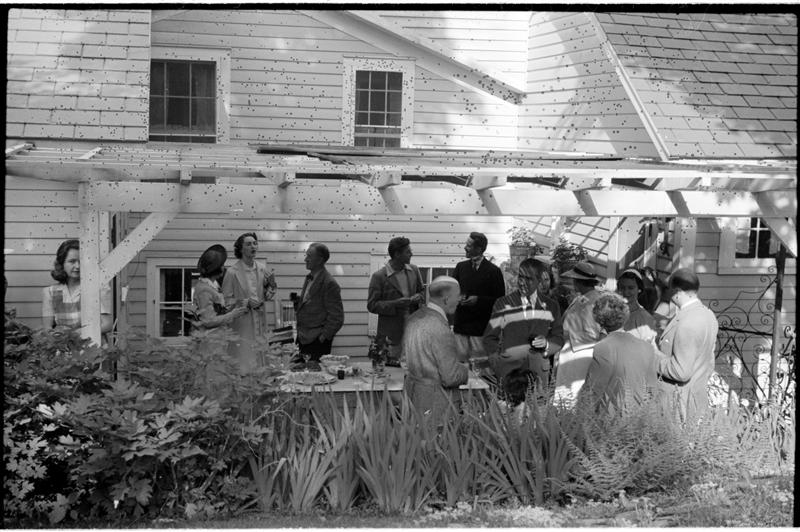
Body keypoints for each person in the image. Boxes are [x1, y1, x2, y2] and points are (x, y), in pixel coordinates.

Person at [483, 258, 563, 384]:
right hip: (509, 373)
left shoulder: (552, 306)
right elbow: (490, 337)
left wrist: (546, 344)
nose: (522, 282)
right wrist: (497, 363)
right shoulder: (503, 303)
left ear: (539, 280)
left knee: (538, 398)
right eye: (520, 277)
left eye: (528, 278)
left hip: (539, 374)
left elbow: (558, 337)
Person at [403, 276, 469, 430]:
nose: (460, 300)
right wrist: (465, 370)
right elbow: (450, 378)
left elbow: (406, 361)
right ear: (446, 299)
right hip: (437, 407)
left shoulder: (413, 318)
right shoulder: (440, 327)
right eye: (457, 296)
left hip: (413, 398)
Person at [579, 293, 661, 415]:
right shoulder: (646, 347)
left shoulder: (603, 347)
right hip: (640, 418)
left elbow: (593, 391)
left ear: (599, 320)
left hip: (611, 420)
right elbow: (652, 391)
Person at [655, 268, 718, 423]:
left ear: (677, 292)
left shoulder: (687, 323)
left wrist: (653, 355)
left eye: (669, 289)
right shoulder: (708, 315)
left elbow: (681, 372)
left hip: (677, 405)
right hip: (696, 398)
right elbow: (709, 361)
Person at [221, 232, 277, 371]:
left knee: (260, 361)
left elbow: (267, 295)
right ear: (241, 249)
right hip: (242, 325)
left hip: (260, 321)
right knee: (243, 362)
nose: (253, 246)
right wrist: (245, 302)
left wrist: (272, 285)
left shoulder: (262, 269)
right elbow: (225, 302)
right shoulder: (232, 272)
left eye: (255, 243)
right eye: (248, 244)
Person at [367, 236, 425, 366]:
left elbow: (421, 291)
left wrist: (418, 296)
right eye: (408, 252)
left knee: (413, 367)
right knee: (391, 370)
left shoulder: (414, 270)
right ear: (397, 254)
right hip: (391, 335)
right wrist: (395, 304)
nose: (411, 254)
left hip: (413, 331)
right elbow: (372, 305)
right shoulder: (379, 276)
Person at [553, 261, 604, 407]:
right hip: (572, 353)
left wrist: (567, 336)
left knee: (572, 397)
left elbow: (593, 334)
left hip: (579, 356)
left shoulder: (591, 303)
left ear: (580, 281)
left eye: (575, 280)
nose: (573, 283)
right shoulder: (584, 298)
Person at [452, 232, 506, 362]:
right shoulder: (460, 267)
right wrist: (458, 298)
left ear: (479, 249)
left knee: (480, 366)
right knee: (460, 365)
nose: (465, 247)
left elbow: (500, 301)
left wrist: (479, 300)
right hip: (461, 327)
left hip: (481, 329)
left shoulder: (493, 271)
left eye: (469, 245)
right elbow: (451, 291)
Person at [290, 243, 344, 372]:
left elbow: (337, 318)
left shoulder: (329, 283)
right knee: (303, 376)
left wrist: (322, 337)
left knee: (317, 378)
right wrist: (300, 303)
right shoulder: (310, 278)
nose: (305, 259)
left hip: (317, 341)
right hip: (303, 338)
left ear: (320, 260)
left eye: (309, 256)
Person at [42, 239, 113, 335]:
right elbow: (47, 328)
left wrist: (75, 334)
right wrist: (56, 336)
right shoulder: (50, 292)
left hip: (91, 342)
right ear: (62, 264)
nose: (78, 266)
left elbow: (107, 324)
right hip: (63, 342)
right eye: (72, 261)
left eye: (81, 261)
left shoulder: (98, 288)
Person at [190, 244, 247, 329]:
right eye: (222, 265)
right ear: (215, 268)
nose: (224, 267)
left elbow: (219, 312)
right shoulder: (204, 290)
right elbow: (208, 321)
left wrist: (236, 304)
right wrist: (232, 315)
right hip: (209, 336)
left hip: (219, 334)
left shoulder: (213, 286)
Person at [616, 268, 657, 343]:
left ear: (639, 289)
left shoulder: (644, 319)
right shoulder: (613, 312)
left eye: (631, 288)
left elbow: (648, 347)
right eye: (622, 288)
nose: (626, 292)